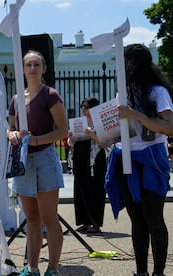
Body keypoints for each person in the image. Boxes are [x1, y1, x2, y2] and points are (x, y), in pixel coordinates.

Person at [105, 44, 173, 276]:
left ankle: (158, 273)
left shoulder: (157, 92)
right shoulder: (122, 93)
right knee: (137, 219)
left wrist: (136, 115)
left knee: (153, 217)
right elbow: (119, 129)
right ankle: (141, 272)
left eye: (124, 62)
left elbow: (169, 127)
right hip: (125, 157)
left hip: (151, 158)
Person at [8, 50, 68, 276]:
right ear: (22, 69)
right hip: (23, 160)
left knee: (49, 217)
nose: (32, 68)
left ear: (44, 69)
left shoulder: (50, 95)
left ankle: (53, 268)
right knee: (31, 218)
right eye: (28, 64)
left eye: (36, 64)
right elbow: (10, 127)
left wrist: (35, 140)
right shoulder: (16, 99)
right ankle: (31, 267)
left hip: (44, 157)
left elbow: (63, 130)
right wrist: (11, 134)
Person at [69, 97, 106, 234]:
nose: (83, 109)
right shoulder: (79, 122)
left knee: (95, 190)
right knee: (80, 191)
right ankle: (84, 222)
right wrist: (71, 137)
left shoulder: (100, 122)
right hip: (80, 159)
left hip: (95, 160)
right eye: (82, 106)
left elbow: (106, 141)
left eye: (87, 106)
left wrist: (92, 134)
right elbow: (71, 142)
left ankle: (95, 223)